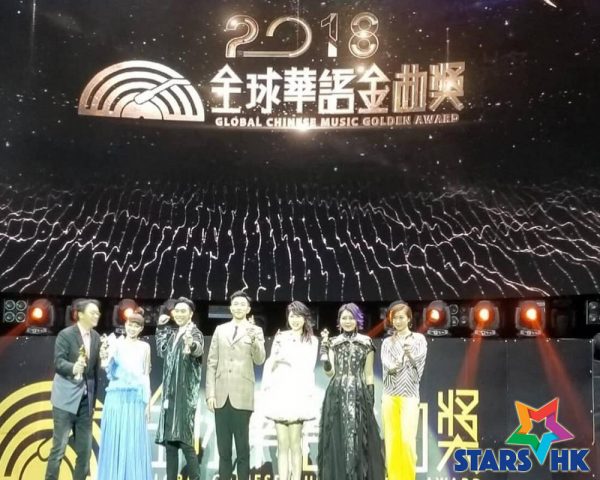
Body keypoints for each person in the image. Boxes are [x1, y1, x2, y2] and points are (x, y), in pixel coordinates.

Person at [317, 303, 384, 480]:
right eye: (344, 318)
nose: (347, 321)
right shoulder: (333, 343)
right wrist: (325, 359)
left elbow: (369, 374)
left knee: (359, 439)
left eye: (351, 318)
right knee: (336, 438)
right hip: (336, 394)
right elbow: (330, 373)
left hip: (359, 394)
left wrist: (370, 400)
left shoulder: (366, 343)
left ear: (357, 320)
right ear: (339, 321)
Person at [206, 290, 266, 480]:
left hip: (242, 395)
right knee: (223, 449)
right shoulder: (220, 330)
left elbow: (260, 359)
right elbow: (212, 363)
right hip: (221, 396)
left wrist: (255, 340)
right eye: (236, 304)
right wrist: (210, 394)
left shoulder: (256, 330)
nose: (239, 307)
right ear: (230, 308)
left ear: (248, 309)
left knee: (242, 449)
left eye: (242, 304)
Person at [45, 298, 107, 480]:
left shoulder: (96, 337)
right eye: (92, 312)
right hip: (65, 400)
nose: (97, 316)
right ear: (80, 314)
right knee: (59, 449)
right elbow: (59, 362)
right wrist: (74, 367)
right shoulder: (66, 335)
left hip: (85, 403)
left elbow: (94, 372)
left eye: (98, 313)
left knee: (85, 452)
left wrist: (92, 402)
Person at [261, 301, 318, 480]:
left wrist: (285, 357)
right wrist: (277, 357)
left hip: (298, 394)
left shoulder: (312, 340)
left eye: (298, 316)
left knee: (295, 443)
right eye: (292, 316)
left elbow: (307, 366)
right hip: (280, 393)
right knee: (282, 444)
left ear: (305, 318)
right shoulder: (281, 337)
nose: (295, 320)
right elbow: (271, 363)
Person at [97, 310, 152, 480]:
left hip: (136, 398)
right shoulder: (115, 343)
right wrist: (104, 354)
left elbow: (145, 375)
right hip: (116, 396)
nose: (132, 328)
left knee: (133, 441)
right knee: (115, 438)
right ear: (125, 325)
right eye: (130, 325)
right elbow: (105, 365)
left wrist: (148, 403)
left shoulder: (145, 347)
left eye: (136, 326)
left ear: (141, 329)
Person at [155, 297, 204, 480]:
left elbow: (198, 349)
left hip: (184, 397)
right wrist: (161, 328)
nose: (180, 314)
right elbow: (161, 351)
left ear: (191, 314)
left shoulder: (195, 333)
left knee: (185, 442)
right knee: (170, 444)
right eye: (177, 311)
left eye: (184, 311)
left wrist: (191, 344)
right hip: (170, 396)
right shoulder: (173, 333)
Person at [381, 301, 427, 480]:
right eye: (395, 318)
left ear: (409, 319)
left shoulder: (419, 340)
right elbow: (388, 366)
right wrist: (400, 359)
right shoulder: (387, 342)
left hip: (409, 395)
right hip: (390, 395)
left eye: (401, 318)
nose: (398, 321)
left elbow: (418, 367)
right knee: (392, 442)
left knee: (407, 440)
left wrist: (410, 355)